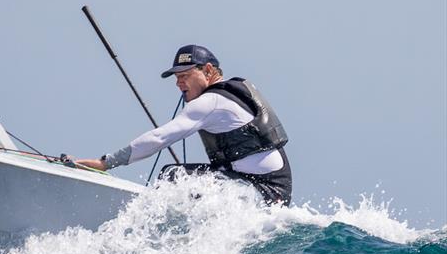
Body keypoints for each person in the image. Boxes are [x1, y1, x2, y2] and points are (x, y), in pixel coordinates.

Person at [75, 44, 292, 206]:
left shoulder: (211, 102)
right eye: (176, 77)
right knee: (180, 176)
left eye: (185, 75)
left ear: (208, 71)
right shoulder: (224, 97)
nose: (179, 83)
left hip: (261, 192)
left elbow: (159, 138)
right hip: (265, 191)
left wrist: (106, 163)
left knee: (174, 177)